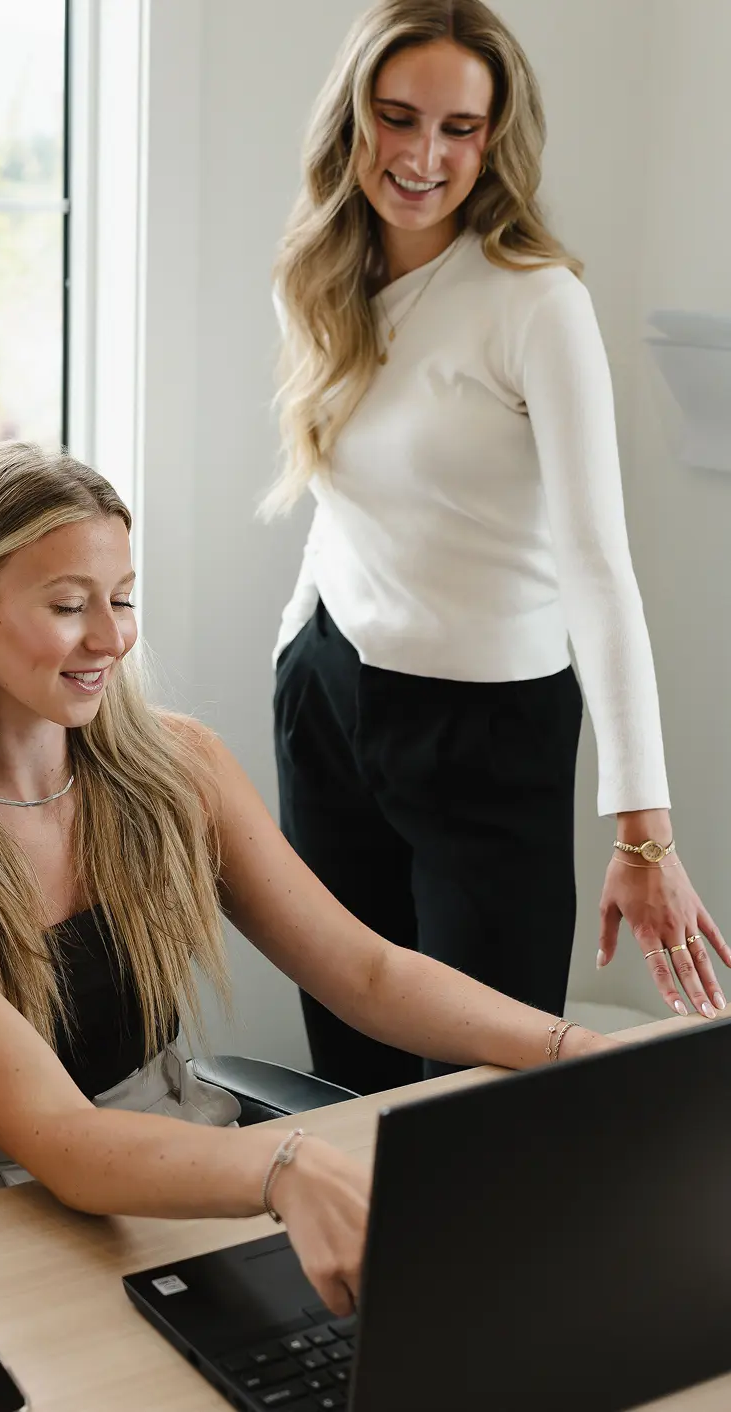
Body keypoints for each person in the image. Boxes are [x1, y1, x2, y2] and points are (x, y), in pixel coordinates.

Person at [0, 442, 621, 1316]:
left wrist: (570, 1051)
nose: (111, 636)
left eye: (121, 599)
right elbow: (65, 1140)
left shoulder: (178, 767)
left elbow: (366, 972)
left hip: (187, 1156)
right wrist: (286, 1166)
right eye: (67, 605)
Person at [266, 0, 728, 1096]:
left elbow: (596, 568)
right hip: (329, 703)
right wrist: (296, 647)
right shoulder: (327, 276)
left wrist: (644, 829)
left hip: (487, 736)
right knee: (350, 1078)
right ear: (351, 120)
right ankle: (355, 1273)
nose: (423, 155)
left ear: (493, 136)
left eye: (458, 127)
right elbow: (348, 492)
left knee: (481, 1096)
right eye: (396, 116)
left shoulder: (533, 301)